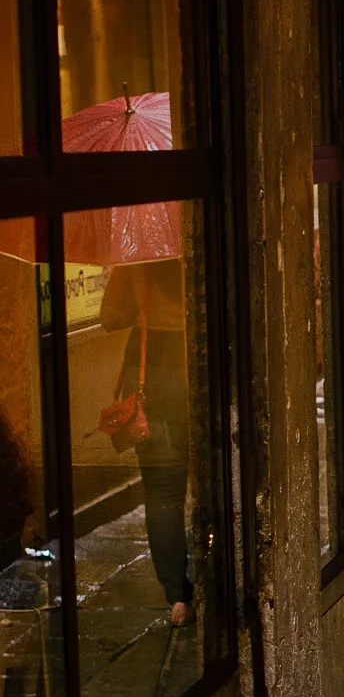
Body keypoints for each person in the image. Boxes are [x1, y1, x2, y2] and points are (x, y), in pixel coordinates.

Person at [101, 260, 194, 626]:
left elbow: (110, 315)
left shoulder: (137, 257)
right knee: (215, 484)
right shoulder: (198, 246)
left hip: (150, 381)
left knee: (163, 493)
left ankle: (177, 598)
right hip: (197, 372)